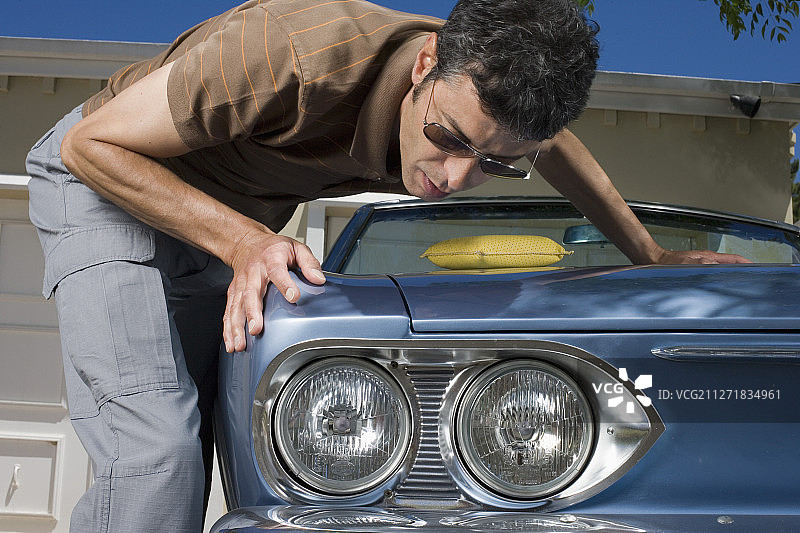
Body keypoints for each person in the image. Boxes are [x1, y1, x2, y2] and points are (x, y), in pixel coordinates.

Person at [25, 0, 746, 531]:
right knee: (156, 454)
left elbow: (553, 146)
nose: (458, 176)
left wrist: (647, 253)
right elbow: (94, 146)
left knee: (240, 450)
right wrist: (244, 241)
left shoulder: (495, 99)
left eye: (496, 163)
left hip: (217, 218)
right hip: (107, 186)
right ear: (426, 63)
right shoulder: (290, 53)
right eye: (448, 137)